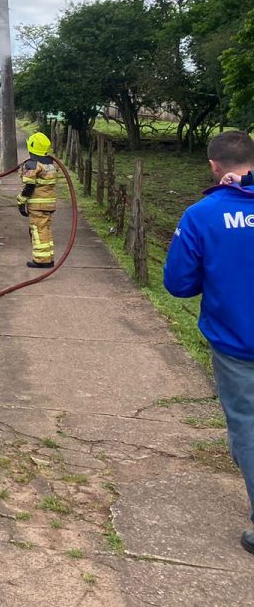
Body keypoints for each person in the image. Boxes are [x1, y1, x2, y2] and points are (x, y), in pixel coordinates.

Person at [164, 130, 254, 557]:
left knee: (248, 427)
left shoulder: (203, 214)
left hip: (239, 344)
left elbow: (179, 284)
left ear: (215, 166)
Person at [16, 132, 58, 269]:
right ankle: (48, 257)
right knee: (45, 229)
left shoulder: (33, 165)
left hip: (38, 204)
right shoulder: (50, 163)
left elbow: (29, 186)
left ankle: (41, 260)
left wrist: (21, 202)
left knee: (38, 230)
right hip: (48, 203)